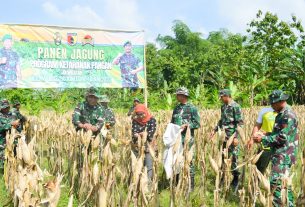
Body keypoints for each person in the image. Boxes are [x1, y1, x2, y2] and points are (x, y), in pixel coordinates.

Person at [253, 90, 298, 207]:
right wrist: (265, 134)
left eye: (273, 103)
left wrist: (263, 140)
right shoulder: (281, 114)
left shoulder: (288, 116)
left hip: (284, 155)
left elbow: (282, 137)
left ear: (281, 101)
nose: (271, 106)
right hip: (280, 153)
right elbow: (277, 133)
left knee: (276, 183)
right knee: (284, 183)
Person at [210, 89, 244, 192]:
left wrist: (236, 137)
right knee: (222, 156)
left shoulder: (235, 106)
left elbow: (240, 123)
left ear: (227, 96)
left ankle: (235, 178)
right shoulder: (223, 106)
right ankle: (223, 176)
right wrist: (215, 130)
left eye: (221, 96)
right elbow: (222, 120)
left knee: (233, 158)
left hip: (232, 137)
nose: (220, 99)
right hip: (223, 136)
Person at [171, 87, 200, 191]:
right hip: (177, 140)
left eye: (178, 94)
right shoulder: (176, 108)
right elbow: (172, 122)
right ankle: (177, 183)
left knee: (189, 160)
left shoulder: (192, 108)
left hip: (188, 139)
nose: (176, 96)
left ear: (183, 96)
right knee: (177, 160)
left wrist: (187, 125)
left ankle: (190, 185)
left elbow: (197, 123)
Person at [247, 106, 277, 174]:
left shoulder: (285, 111)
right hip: (265, 145)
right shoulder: (264, 110)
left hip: (279, 146)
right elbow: (257, 126)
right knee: (259, 170)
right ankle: (256, 183)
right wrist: (252, 139)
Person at [131, 104, 157, 181]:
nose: (140, 116)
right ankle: (137, 183)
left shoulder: (152, 120)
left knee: (148, 166)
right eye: (138, 114)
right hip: (137, 146)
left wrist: (144, 134)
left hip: (149, 146)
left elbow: (151, 132)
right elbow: (134, 132)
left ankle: (148, 184)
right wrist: (137, 135)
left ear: (145, 112)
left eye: (142, 114)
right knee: (137, 165)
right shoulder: (135, 121)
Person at [0, 99, 19, 172]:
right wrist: (10, 124)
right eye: (5, 107)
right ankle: (2, 174)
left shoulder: (12, 115)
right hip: (2, 142)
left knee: (13, 156)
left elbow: (17, 125)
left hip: (12, 140)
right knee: (2, 159)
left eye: (7, 107)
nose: (6, 109)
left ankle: (12, 171)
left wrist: (17, 127)